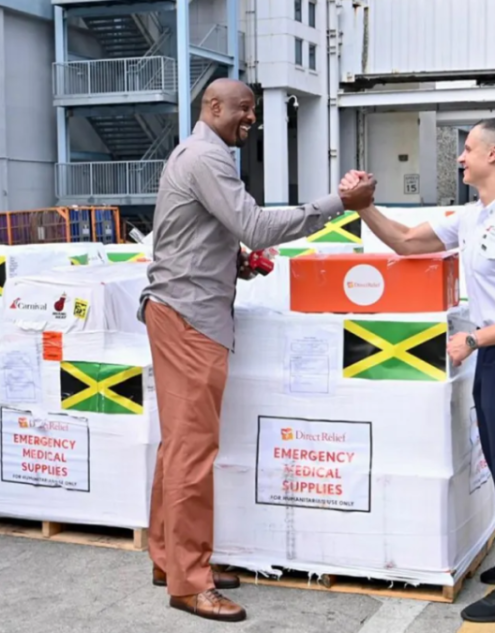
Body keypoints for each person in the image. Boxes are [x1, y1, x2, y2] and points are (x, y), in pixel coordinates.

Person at [138, 78, 375, 623]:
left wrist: (231, 261)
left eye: (253, 111)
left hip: (183, 307)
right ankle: (190, 583)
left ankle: (169, 559)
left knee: (177, 447)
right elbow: (256, 225)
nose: (251, 118)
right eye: (243, 110)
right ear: (212, 107)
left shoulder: (199, 153)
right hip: (190, 316)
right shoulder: (207, 157)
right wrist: (341, 203)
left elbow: (202, 232)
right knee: (193, 453)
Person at [340, 118, 495, 623]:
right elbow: (405, 241)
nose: (460, 158)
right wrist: (363, 207)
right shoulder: (475, 216)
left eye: (468, 149)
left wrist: (474, 340)